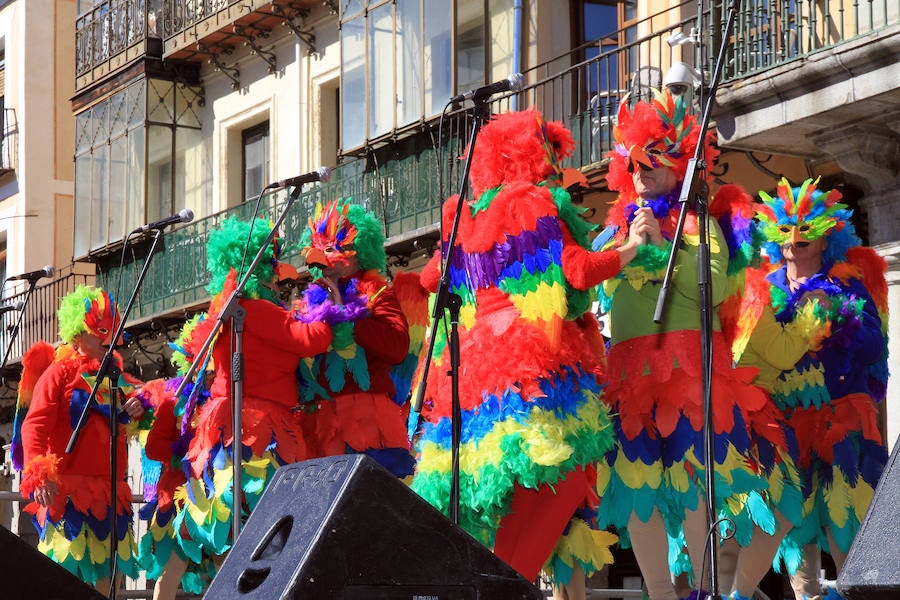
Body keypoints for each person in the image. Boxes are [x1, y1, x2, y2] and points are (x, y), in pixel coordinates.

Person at [411, 108, 630, 598]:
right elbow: (577, 272)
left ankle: (498, 583)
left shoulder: (465, 216)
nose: (555, 172)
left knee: (496, 498)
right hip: (535, 370)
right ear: (531, 158)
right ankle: (510, 585)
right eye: (549, 159)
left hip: (474, 381)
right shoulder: (535, 203)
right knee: (562, 476)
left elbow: (430, 280)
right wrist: (630, 248)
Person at [595, 90, 802, 600]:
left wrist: (663, 246)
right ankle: (661, 594)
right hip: (631, 379)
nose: (640, 171)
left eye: (652, 160)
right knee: (639, 485)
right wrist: (627, 247)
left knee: (697, 485)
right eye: (633, 162)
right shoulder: (618, 230)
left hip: (690, 375)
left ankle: (709, 589)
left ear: (679, 165)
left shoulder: (698, 224)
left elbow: (712, 281)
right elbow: (593, 287)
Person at [742, 178, 888, 600]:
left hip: (839, 420)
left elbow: (873, 347)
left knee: (846, 525)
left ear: (827, 237)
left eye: (806, 230)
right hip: (784, 425)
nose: (794, 239)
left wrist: (840, 318)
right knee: (792, 532)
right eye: (785, 229)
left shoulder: (847, 284)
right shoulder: (765, 289)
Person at [171, 216, 333, 562]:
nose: (278, 277)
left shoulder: (228, 313)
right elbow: (309, 339)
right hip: (257, 426)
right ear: (259, 270)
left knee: (244, 525)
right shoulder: (255, 310)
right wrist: (327, 307)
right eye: (273, 266)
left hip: (231, 422)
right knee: (268, 526)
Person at [12, 285, 147, 593]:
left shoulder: (117, 377)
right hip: (66, 493)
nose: (109, 339)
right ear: (78, 333)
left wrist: (141, 407)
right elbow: (34, 426)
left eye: (112, 331)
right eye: (100, 330)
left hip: (106, 494)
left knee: (102, 582)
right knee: (62, 580)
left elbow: (144, 402)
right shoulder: (58, 373)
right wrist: (39, 474)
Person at [292, 199, 414, 478]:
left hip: (367, 423)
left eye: (334, 248)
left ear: (357, 252)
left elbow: (397, 346)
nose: (324, 259)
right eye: (319, 249)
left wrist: (347, 316)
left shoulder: (376, 289)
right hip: (322, 425)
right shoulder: (312, 299)